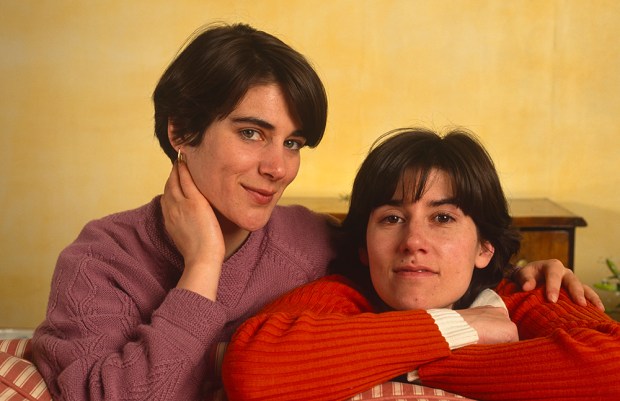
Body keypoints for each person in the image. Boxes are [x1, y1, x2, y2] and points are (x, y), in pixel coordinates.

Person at [31, 23, 598, 401]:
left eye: (293, 143)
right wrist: (201, 267)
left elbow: (422, 271)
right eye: (251, 133)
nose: (278, 167)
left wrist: (521, 275)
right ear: (181, 131)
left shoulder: (311, 240)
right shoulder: (99, 261)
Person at [222, 128, 620, 401]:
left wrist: (408, 360)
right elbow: (253, 371)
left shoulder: (527, 294)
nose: (413, 241)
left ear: (485, 247)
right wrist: (461, 327)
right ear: (364, 246)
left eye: (443, 218)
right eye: (392, 218)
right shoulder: (342, 296)